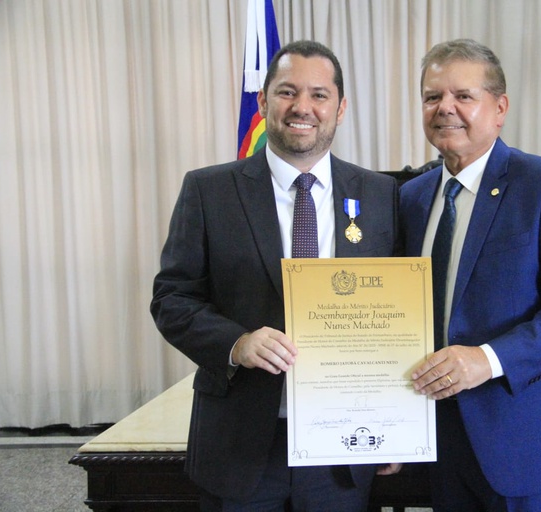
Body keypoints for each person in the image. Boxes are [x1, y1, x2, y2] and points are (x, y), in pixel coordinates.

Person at [151, 40, 400, 512]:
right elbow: (172, 299)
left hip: (344, 444)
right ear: (264, 102)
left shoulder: (380, 194)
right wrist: (237, 343)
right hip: (240, 442)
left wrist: (395, 423)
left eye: (319, 94)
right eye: (287, 92)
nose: (302, 107)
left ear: (340, 108)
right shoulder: (208, 190)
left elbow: (399, 314)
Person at [399, 39, 541, 511]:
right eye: (432, 97)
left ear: (499, 109)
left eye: (463, 96)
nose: (445, 108)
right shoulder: (411, 197)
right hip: (438, 444)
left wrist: (487, 359)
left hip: (526, 445)